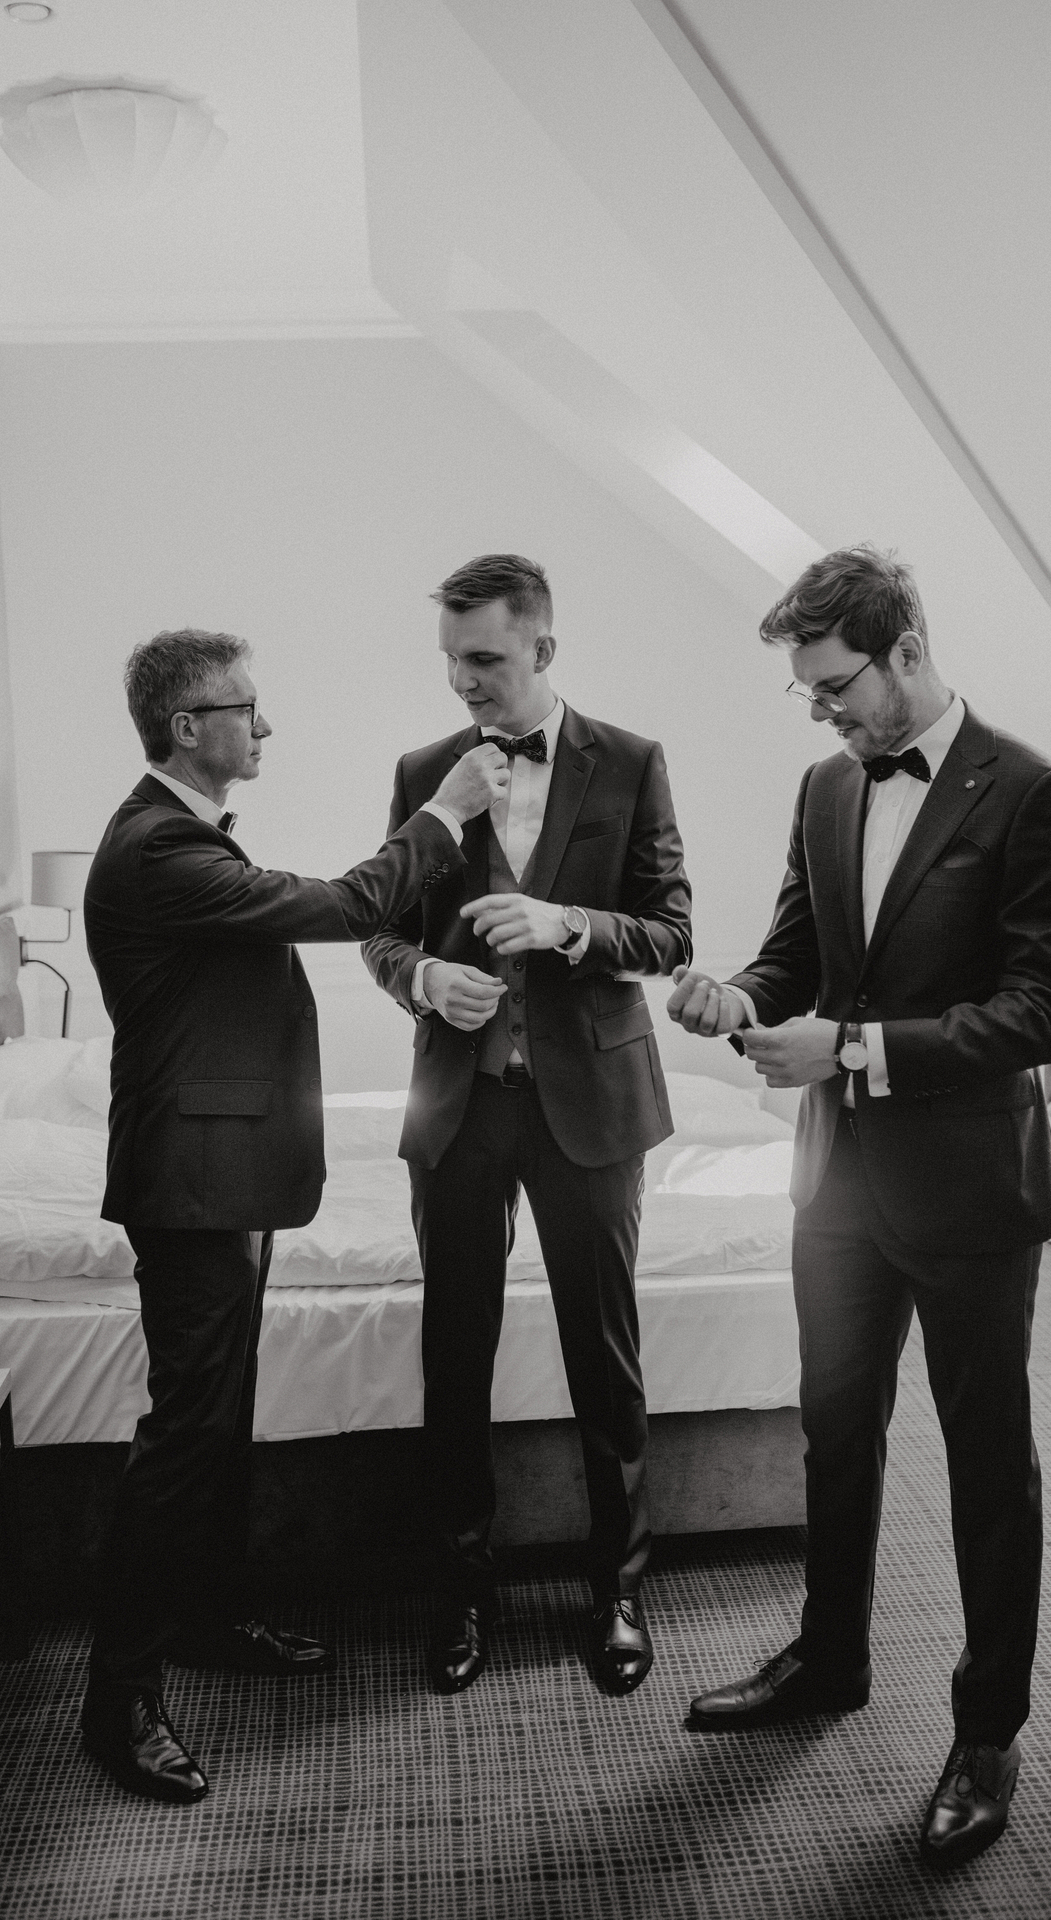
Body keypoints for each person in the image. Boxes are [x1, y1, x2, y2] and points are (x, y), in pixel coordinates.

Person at [669, 547, 1051, 1869]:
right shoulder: (822, 786)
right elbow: (798, 952)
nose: (821, 713)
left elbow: (1042, 1012)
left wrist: (850, 1051)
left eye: (833, 686)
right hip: (836, 1182)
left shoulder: (1032, 791)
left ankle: (986, 1734)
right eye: (805, 695)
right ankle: (828, 1657)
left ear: (904, 649)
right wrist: (738, 995)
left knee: (986, 1465)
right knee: (833, 1430)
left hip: (968, 1187)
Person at [81, 627, 506, 1804]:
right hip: (190, 1184)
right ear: (187, 727)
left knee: (220, 1421)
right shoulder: (155, 847)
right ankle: (118, 1698)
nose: (263, 725)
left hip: (230, 1173)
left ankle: (210, 1618)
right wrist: (444, 812)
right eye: (245, 708)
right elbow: (342, 903)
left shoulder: (182, 832)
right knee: (185, 1433)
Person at [362, 554, 692, 1697]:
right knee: (454, 1355)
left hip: (589, 1106)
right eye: (450, 662)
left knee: (604, 1354)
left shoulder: (630, 762)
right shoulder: (422, 772)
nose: (463, 683)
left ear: (542, 649)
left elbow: (669, 933)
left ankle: (617, 1588)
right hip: (458, 1106)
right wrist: (420, 981)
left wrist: (565, 926)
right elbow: (379, 929)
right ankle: (463, 1588)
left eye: (485, 659)